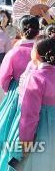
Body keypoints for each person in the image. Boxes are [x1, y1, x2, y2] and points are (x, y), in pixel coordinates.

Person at [0, 15, 40, 171]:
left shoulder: (15, 52)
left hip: (16, 94)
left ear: (19, 30)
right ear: (38, 32)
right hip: (39, 96)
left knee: (5, 132)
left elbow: (3, 78)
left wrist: (10, 90)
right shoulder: (41, 51)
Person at [18, 36, 55, 170]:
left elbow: (29, 114)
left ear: (37, 54)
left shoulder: (36, 77)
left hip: (42, 131)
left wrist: (26, 141)